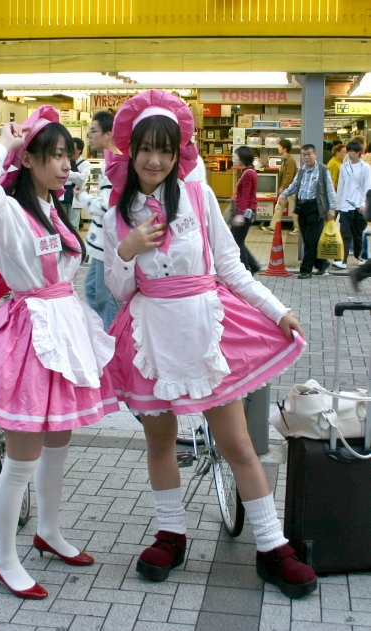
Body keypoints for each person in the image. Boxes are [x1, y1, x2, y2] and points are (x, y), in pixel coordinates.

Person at [103, 90, 316, 599]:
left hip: (204, 328)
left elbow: (230, 268)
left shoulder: (197, 198)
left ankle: (272, 546)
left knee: (238, 443)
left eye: (166, 150)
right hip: (151, 332)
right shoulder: (118, 213)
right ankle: (171, 533)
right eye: (146, 149)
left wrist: (276, 310)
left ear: (179, 155)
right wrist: (128, 250)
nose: (155, 160)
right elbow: (118, 289)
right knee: (159, 443)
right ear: (131, 151)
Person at [0, 106, 119, 600]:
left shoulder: (52, 208)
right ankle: (5, 558)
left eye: (69, 154)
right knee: (22, 457)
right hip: (28, 338)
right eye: (54, 156)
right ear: (28, 160)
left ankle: (49, 532)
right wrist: (4, 143)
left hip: (64, 332)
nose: (66, 165)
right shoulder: (6, 209)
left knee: (58, 444)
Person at [75, 111, 123, 331]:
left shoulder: (111, 164)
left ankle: (110, 341)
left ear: (108, 134)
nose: (89, 136)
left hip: (105, 245)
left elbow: (106, 207)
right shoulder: (114, 161)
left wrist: (83, 197)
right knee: (95, 292)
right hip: (100, 245)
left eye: (93, 131)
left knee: (102, 297)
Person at [278, 144, 336, 279]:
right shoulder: (302, 170)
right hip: (301, 208)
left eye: (309, 154)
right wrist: (284, 194)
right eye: (304, 155)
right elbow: (294, 186)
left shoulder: (322, 170)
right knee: (308, 240)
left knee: (310, 241)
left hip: (315, 208)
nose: (306, 157)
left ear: (315, 154)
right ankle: (322, 264)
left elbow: (330, 190)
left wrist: (332, 208)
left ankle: (306, 270)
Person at [332, 140, 371, 270]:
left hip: (360, 206)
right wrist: (338, 205)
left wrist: (364, 204)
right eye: (348, 151)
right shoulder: (344, 167)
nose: (349, 154)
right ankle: (341, 260)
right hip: (345, 205)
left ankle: (360, 256)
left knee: (358, 233)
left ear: (359, 152)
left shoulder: (366, 167)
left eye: (352, 151)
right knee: (345, 233)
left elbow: (367, 187)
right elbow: (341, 186)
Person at [230, 145, 261, 274]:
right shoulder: (250, 171)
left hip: (245, 211)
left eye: (236, 155)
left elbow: (245, 195)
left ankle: (246, 269)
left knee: (237, 241)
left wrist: (240, 214)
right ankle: (253, 265)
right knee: (238, 240)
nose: (234, 158)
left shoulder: (248, 174)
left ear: (243, 157)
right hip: (248, 211)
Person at [261, 139, 298, 235]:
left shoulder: (290, 161)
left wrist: (283, 187)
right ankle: (273, 227)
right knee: (279, 207)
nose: (278, 148)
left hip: (290, 189)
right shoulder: (285, 159)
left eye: (279, 146)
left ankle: (298, 228)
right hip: (287, 189)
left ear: (285, 149)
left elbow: (289, 176)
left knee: (293, 209)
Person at [62, 137, 91, 231]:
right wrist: (76, 175)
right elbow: (58, 176)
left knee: (73, 227)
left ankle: (74, 246)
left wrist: (67, 173)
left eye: (72, 147)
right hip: (61, 198)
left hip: (74, 199)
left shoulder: (85, 163)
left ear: (79, 150)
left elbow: (82, 180)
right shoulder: (64, 160)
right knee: (61, 226)